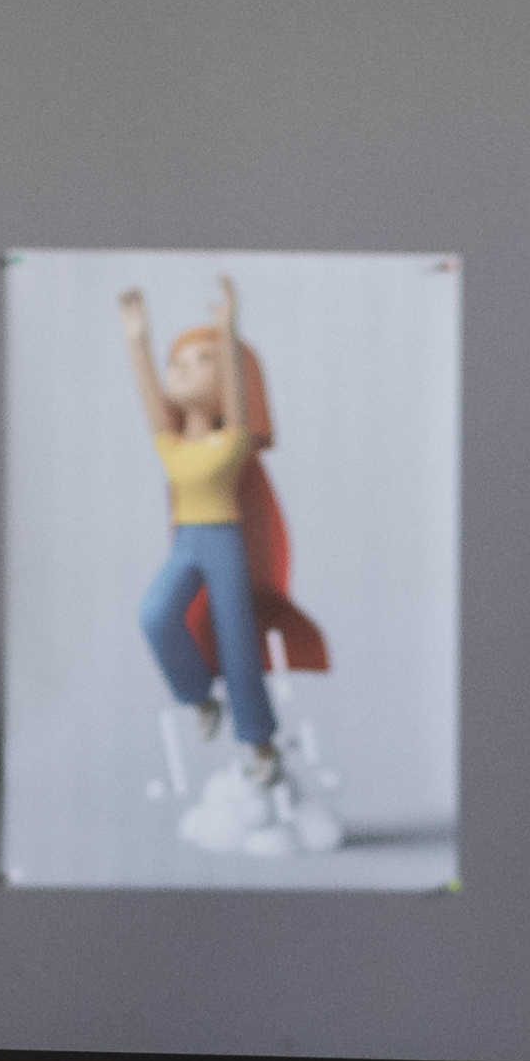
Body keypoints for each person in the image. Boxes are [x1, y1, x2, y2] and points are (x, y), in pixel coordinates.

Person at [121, 276, 333, 854]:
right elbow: (148, 394)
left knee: (240, 649)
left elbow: (238, 397)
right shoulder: (170, 444)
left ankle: (261, 746)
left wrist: (232, 329)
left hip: (226, 546)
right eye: (177, 362)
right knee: (156, 614)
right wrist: (138, 338)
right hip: (187, 543)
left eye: (202, 361)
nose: (183, 370)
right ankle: (199, 698)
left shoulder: (233, 442)